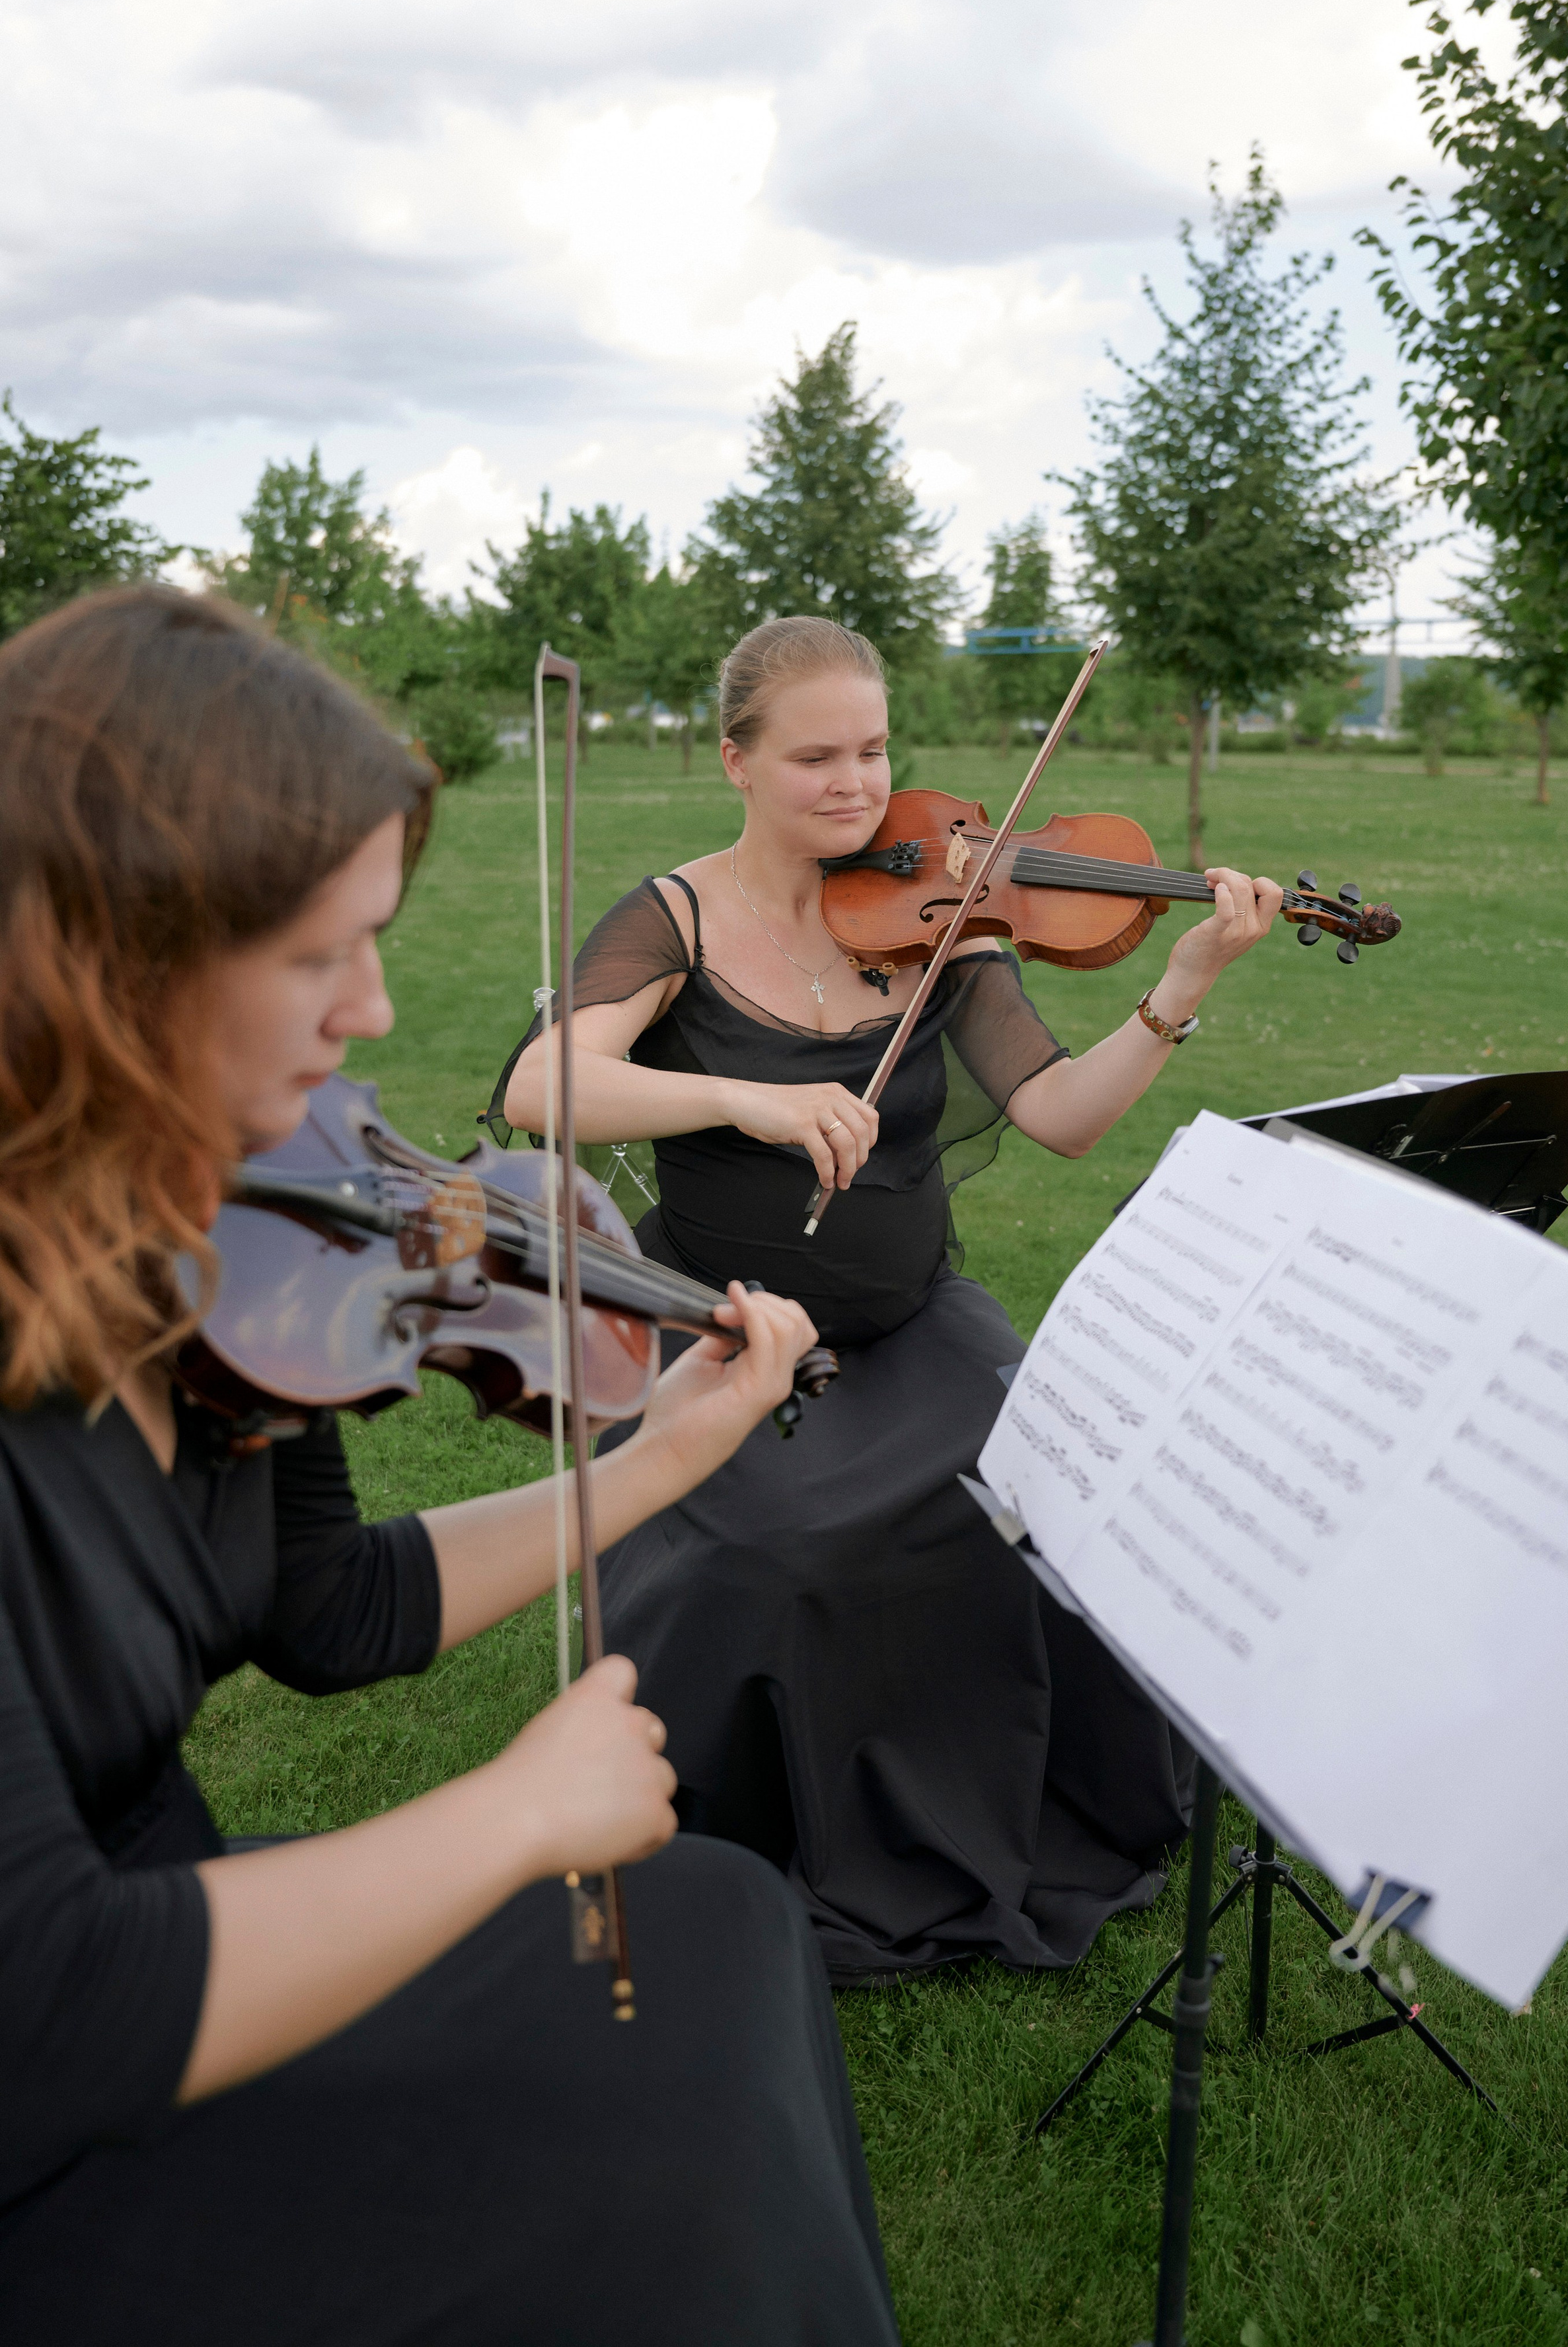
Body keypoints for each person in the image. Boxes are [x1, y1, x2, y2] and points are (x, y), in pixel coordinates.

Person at [0, 589, 901, 2347]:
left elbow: (329, 1610)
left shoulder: (221, 1255)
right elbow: (50, 2012)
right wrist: (512, 1814)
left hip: (164, 1931)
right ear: (110, 960)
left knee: (717, 1921)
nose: (376, 1008)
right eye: (317, 958)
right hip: (74, 2103)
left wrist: (655, 1457)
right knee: (683, 2228)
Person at [497, 615, 1281, 1985]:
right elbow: (538, 1087)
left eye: (872, 748)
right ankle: (794, 1825)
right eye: (816, 757)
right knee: (777, 1550)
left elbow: (1061, 1115)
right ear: (736, 761)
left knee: (1053, 1490)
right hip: (727, 1325)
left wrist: (1180, 983)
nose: (857, 784)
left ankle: (1021, 1799)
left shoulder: (943, 912)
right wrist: (740, 1095)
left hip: (914, 1315)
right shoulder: (676, 917)